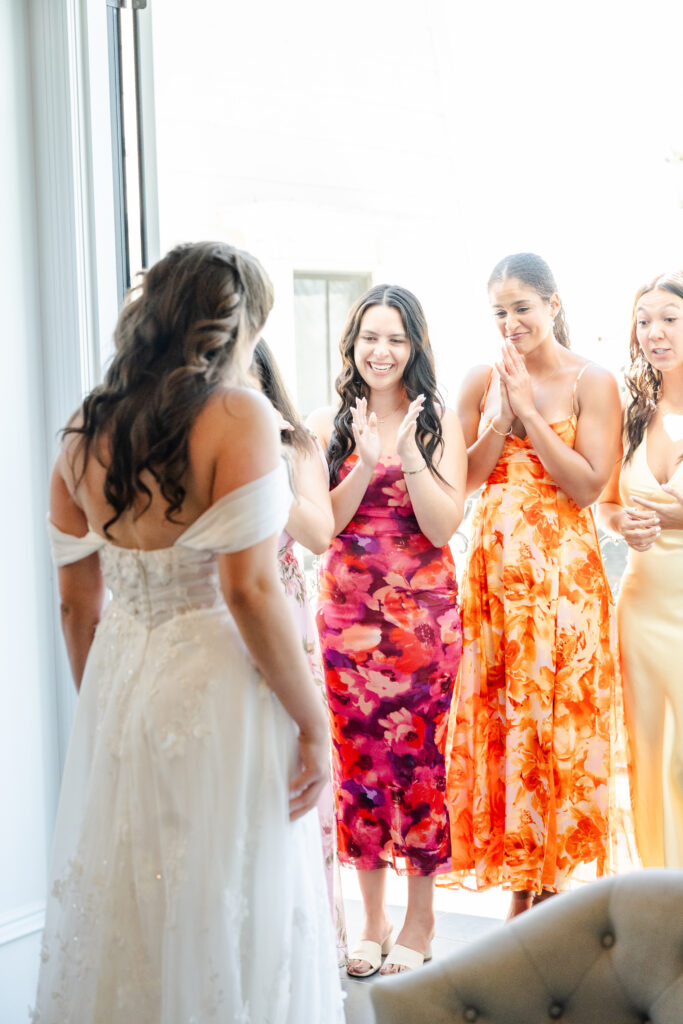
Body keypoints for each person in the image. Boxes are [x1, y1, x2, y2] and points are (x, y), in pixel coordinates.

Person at [34, 242, 344, 1023]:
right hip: (216, 685)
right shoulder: (238, 414)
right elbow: (249, 587)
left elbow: (78, 605)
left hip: (122, 681)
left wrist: (104, 701)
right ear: (233, 325)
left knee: (136, 895)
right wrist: (314, 722)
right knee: (229, 888)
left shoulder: (82, 430)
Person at [443, 252, 630, 919]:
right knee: (503, 723)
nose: (510, 321)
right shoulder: (478, 379)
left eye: (521, 306)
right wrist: (499, 416)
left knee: (553, 722)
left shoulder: (592, 381)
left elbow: (584, 487)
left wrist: (528, 409)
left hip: (562, 588)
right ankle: (518, 888)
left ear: (552, 304)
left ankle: (542, 897)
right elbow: (461, 483)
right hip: (494, 583)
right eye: (498, 311)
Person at [308, 284, 467, 975]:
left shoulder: (438, 424)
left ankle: (421, 920)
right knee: (361, 773)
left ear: (414, 347)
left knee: (417, 764)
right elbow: (322, 526)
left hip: (423, 626)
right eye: (370, 337)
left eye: (395, 339)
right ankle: (369, 922)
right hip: (346, 623)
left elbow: (440, 525)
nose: (381, 351)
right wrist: (364, 460)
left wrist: (405, 454)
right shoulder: (326, 425)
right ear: (352, 345)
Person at [251, 338, 348, 964]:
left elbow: (317, 533)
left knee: (295, 762)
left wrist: (260, 462)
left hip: (284, 614)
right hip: (220, 619)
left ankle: (306, 942)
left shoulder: (292, 444)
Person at [597, 271, 683, 868]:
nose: (655, 332)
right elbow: (603, 504)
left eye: (670, 319)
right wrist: (623, 524)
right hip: (642, 606)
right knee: (647, 759)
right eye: (644, 320)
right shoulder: (629, 411)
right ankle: (662, 905)